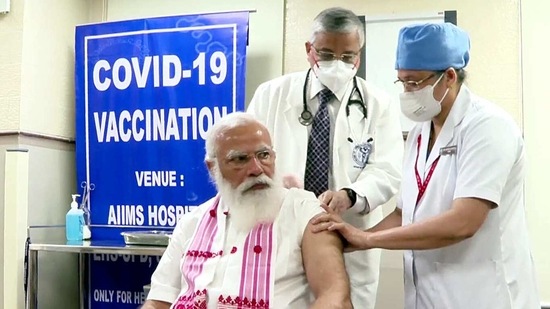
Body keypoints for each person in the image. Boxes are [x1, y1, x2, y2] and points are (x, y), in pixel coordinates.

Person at [311, 22, 540, 308]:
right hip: (429, 295)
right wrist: (354, 239)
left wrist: (368, 240)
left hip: (483, 294)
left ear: (450, 77)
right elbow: (404, 213)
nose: (407, 91)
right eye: (402, 82)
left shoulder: (488, 127)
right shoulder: (421, 131)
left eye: (415, 82)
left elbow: (463, 223)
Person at [247, 7, 403, 308]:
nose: (338, 64)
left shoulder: (378, 105)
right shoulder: (270, 95)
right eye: (327, 54)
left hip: (346, 230)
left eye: (347, 57)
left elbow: (387, 171)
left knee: (342, 300)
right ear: (309, 50)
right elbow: (247, 158)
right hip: (281, 227)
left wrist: (350, 195)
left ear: (359, 55)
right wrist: (277, 183)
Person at [142, 112, 352, 309]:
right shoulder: (192, 222)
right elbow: (159, 300)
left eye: (263, 155)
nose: (257, 169)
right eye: (240, 159)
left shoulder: (304, 211)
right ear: (212, 168)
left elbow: (335, 298)